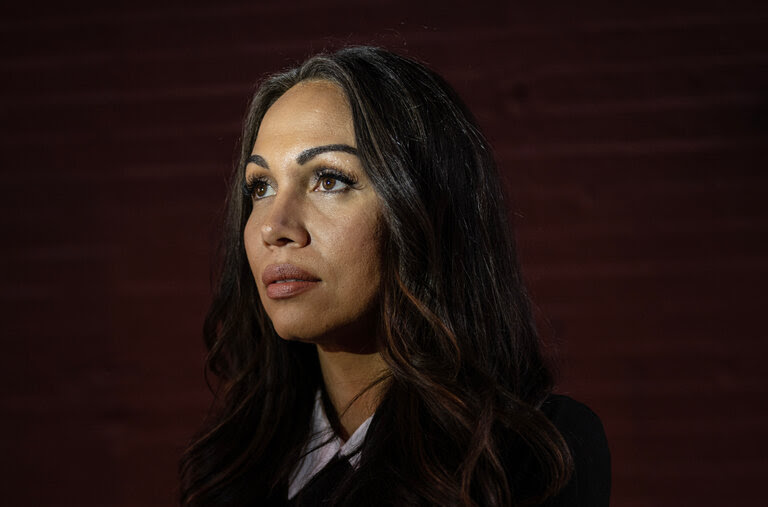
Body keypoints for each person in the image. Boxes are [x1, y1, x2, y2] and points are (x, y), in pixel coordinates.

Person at [179, 46, 610, 506]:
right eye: (260, 187)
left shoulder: (533, 453)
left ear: (423, 207)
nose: (274, 227)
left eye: (329, 180)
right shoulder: (233, 465)